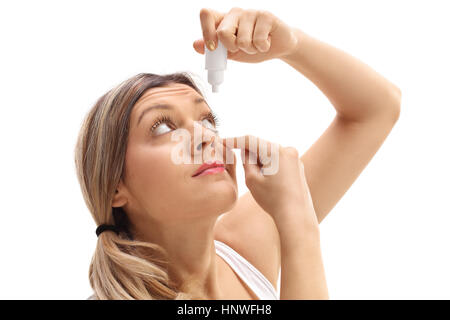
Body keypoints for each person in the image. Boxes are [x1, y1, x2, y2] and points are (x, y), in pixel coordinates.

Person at [77, 7, 401, 300]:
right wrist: (297, 222)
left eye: (208, 121)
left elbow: (376, 108)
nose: (204, 136)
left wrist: (292, 47)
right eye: (163, 128)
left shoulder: (241, 246)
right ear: (115, 186)